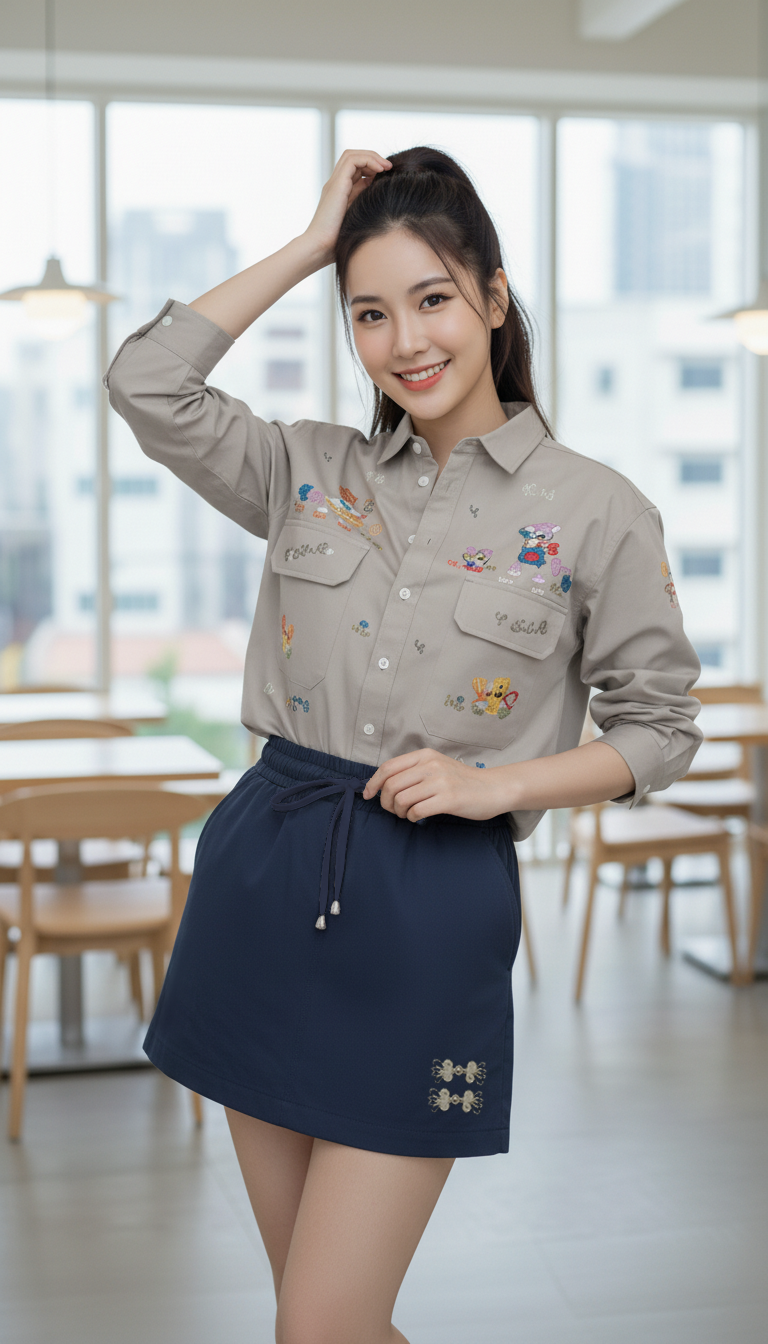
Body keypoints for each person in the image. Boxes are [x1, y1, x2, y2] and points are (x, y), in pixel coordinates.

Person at [103, 145, 702, 1344]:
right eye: (368, 313)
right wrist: (314, 243)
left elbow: (660, 729)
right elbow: (146, 383)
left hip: (429, 905)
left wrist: (502, 784)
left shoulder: (598, 509)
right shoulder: (305, 471)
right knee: (321, 1321)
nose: (404, 340)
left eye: (431, 298)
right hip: (262, 880)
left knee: (320, 1322)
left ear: (491, 296)